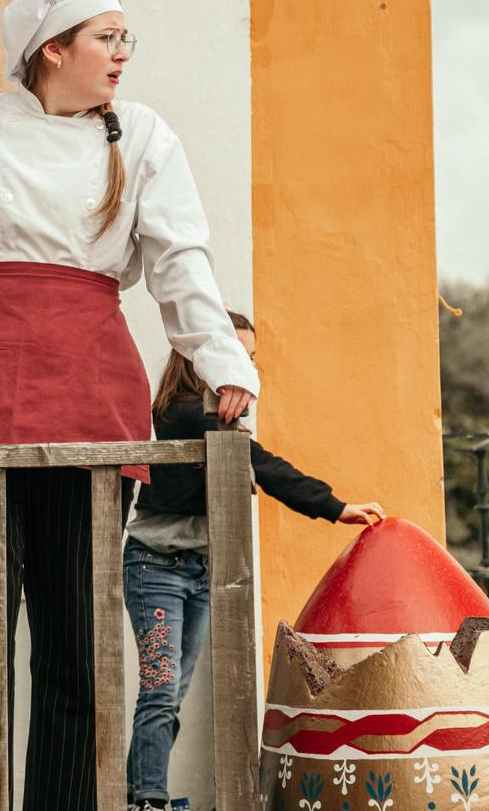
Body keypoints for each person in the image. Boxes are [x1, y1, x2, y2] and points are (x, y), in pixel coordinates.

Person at [0, 0, 261, 811]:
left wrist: (222, 363)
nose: (122, 54)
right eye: (106, 37)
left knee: (77, 641)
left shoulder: (145, 137)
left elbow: (181, 263)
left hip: (86, 391)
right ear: (54, 49)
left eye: (124, 38)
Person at [122, 310, 383, 811]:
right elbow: (264, 466)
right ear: (201, 359)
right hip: (155, 568)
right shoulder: (177, 413)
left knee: (168, 694)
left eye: (250, 358)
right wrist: (336, 507)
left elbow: (258, 463)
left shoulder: (219, 422)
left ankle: (140, 793)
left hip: (200, 572)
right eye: (234, 356)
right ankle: (149, 799)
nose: (243, 368)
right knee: (160, 690)